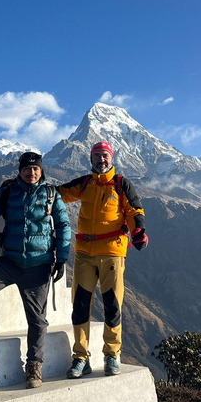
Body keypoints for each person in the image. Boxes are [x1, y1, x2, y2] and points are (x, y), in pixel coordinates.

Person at [0, 152, 71, 389]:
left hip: (39, 266)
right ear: (19, 171)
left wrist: (61, 259)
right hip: (9, 263)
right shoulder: (8, 192)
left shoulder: (51, 194)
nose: (31, 173)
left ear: (41, 171)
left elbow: (63, 225)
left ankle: (34, 365)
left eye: (36, 169)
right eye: (27, 169)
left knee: (37, 320)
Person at [58, 141, 148, 378]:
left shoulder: (121, 184)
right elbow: (60, 194)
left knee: (112, 305)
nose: (101, 160)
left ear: (112, 158)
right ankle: (80, 357)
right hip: (84, 253)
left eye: (105, 156)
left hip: (112, 252)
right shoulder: (85, 183)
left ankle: (112, 354)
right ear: (91, 159)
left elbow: (135, 211)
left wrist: (138, 232)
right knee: (80, 306)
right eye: (97, 156)